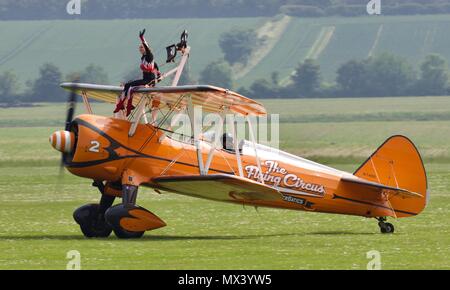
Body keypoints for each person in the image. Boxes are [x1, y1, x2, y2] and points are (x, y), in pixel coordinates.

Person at [114, 29, 160, 116]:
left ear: (146, 48)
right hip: (145, 79)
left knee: (129, 87)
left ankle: (124, 105)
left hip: (148, 81)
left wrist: (142, 38)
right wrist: (158, 73)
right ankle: (125, 104)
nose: (140, 48)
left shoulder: (149, 56)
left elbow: (148, 49)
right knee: (127, 85)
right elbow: (155, 65)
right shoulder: (143, 58)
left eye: (142, 47)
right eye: (139, 47)